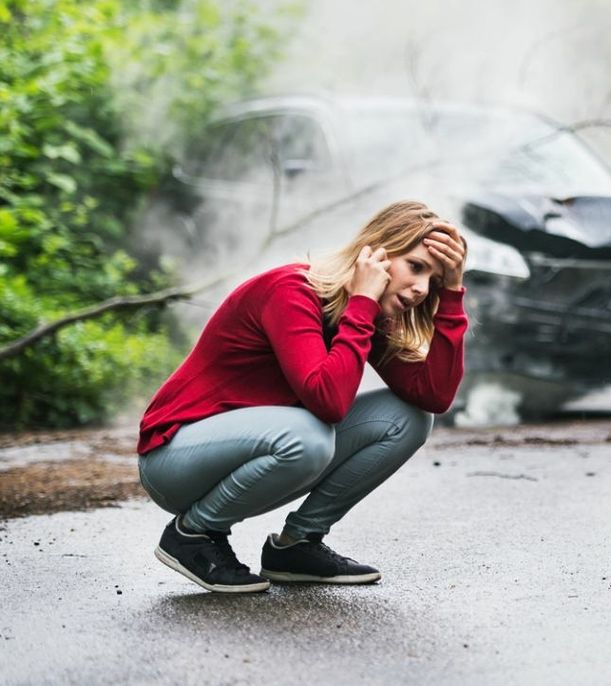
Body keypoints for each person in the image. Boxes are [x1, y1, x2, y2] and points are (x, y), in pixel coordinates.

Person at [136, 200, 468, 593]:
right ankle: (192, 535)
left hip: (254, 452)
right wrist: (362, 304)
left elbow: (433, 395)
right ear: (376, 253)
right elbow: (327, 402)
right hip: (174, 458)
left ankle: (297, 545)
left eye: (433, 279)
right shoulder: (291, 290)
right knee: (309, 434)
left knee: (408, 418)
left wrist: (452, 294)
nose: (420, 288)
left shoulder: (366, 314)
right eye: (415, 267)